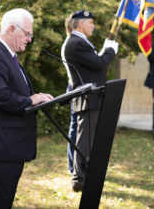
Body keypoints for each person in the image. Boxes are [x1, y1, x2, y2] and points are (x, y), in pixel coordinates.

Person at [0, 8, 53, 208]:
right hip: (1, 146)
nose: (29, 39)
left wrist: (37, 99)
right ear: (12, 29)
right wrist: (31, 100)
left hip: (10, 146)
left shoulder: (8, 56)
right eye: (27, 34)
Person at [64, 10, 119, 192]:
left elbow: (94, 64)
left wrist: (104, 52)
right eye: (90, 22)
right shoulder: (76, 42)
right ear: (80, 23)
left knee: (88, 139)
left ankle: (86, 175)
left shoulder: (79, 41)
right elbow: (97, 63)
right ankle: (79, 178)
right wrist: (110, 50)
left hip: (92, 97)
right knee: (84, 140)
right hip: (88, 98)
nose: (93, 26)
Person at [60, 13, 78, 174]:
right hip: (74, 87)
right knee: (75, 128)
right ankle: (73, 166)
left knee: (77, 127)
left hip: (74, 87)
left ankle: (75, 165)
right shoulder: (71, 43)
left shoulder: (74, 42)